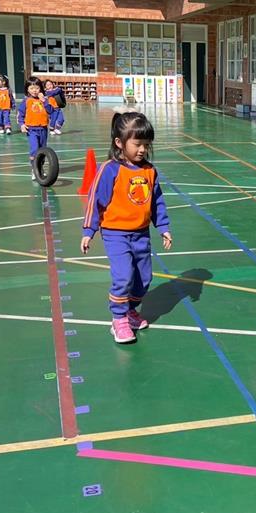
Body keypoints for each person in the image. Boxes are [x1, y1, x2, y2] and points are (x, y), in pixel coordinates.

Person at [80, 111, 172, 344]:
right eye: (137, 144)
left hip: (141, 234)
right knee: (123, 276)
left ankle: (130, 310)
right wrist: (89, 231)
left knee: (144, 279)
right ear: (119, 143)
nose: (142, 150)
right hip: (115, 234)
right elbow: (94, 200)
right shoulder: (110, 169)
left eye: (146, 145)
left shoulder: (149, 170)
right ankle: (118, 319)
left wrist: (163, 227)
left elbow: (157, 201)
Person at [16, 80, 57, 180]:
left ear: (41, 89)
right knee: (34, 149)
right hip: (31, 130)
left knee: (42, 150)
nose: (34, 90)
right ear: (27, 90)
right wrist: (22, 124)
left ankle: (40, 167)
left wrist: (44, 101)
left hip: (43, 129)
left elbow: (51, 111)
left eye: (37, 88)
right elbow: (20, 114)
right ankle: (34, 168)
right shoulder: (26, 101)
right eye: (31, 88)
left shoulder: (45, 100)